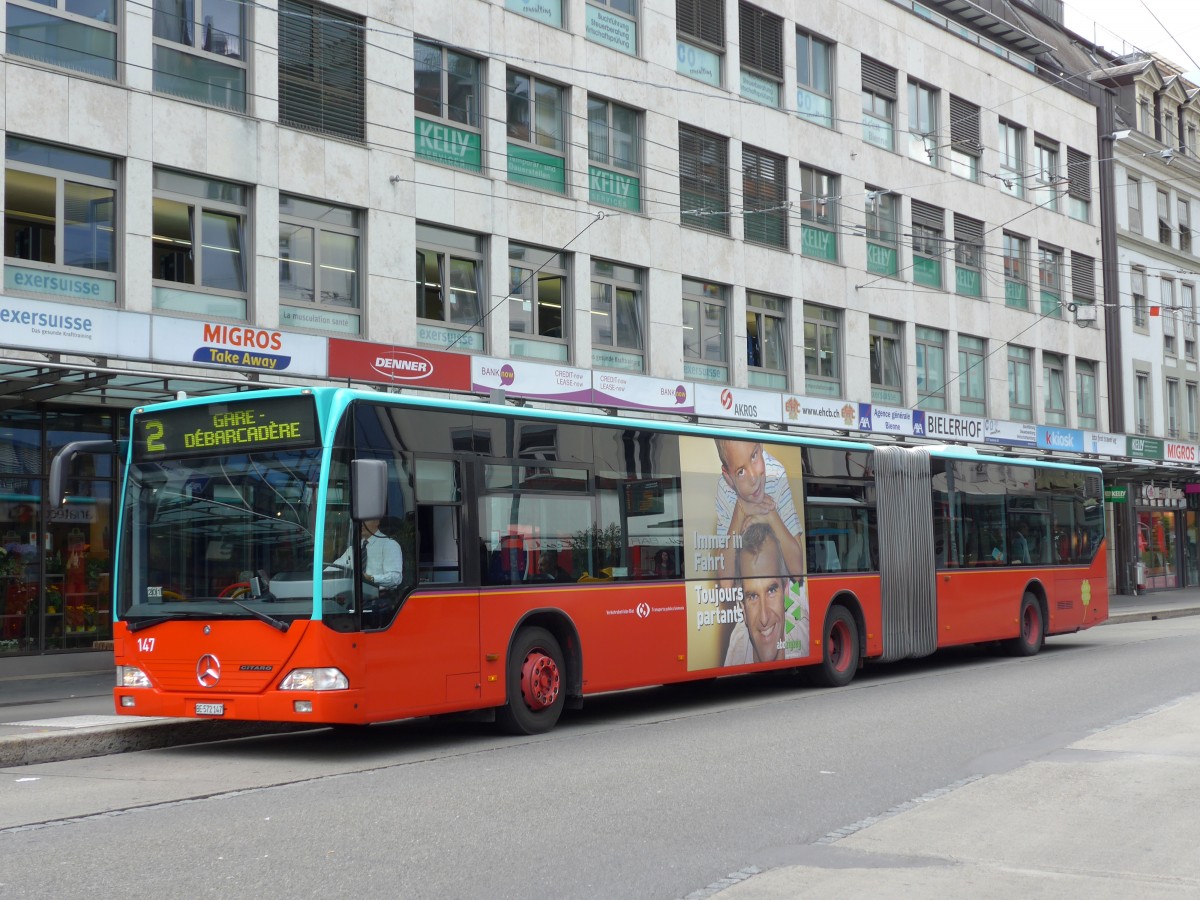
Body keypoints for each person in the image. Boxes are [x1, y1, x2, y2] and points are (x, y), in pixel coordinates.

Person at [713, 439, 805, 588]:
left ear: (761, 446)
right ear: (728, 477)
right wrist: (740, 510)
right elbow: (725, 582)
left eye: (754, 456)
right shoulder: (724, 487)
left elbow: (797, 570)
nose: (754, 477)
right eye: (740, 472)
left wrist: (770, 515)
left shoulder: (776, 473)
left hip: (781, 593)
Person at [724, 522, 809, 665]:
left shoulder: (805, 632)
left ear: (786, 593)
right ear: (742, 608)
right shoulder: (737, 649)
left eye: (771, 590)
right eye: (752, 596)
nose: (764, 618)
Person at [330, 518, 403, 591]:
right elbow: (335, 567)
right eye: (359, 520)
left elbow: (395, 578)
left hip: (381, 598)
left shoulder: (389, 545)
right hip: (355, 596)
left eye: (365, 520)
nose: (361, 523)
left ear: (377, 522)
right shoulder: (354, 547)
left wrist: (371, 578)